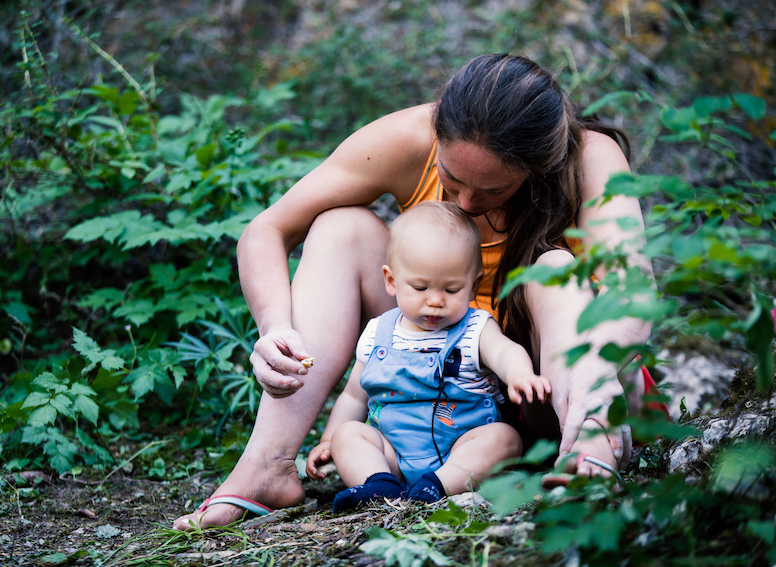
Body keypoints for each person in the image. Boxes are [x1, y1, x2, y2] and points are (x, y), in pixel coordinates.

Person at [173, 53, 653, 530]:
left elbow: (631, 291)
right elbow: (267, 231)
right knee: (341, 228)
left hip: (549, 393)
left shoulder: (588, 157)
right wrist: (274, 326)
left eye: (493, 189)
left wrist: (595, 372)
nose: (465, 204)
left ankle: (588, 443)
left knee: (555, 267)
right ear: (437, 132)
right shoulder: (406, 138)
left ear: (536, 167)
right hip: (432, 388)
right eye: (453, 178)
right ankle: (268, 463)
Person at [305, 202, 551, 512]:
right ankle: (378, 483)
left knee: (504, 439)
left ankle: (438, 486)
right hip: (394, 451)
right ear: (392, 281)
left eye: (451, 289)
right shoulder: (377, 333)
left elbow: (505, 351)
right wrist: (329, 440)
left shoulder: (475, 328)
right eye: (420, 287)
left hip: (461, 449)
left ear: (473, 284)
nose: (435, 301)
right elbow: (355, 396)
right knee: (348, 435)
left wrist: (519, 375)